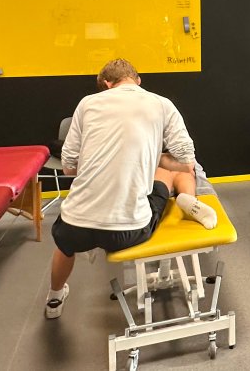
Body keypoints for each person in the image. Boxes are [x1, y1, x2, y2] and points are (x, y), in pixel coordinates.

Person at [44, 58, 217, 319]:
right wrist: (153, 158)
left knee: (65, 244)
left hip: (76, 225)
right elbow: (186, 161)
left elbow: (68, 168)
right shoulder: (161, 103)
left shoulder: (87, 103)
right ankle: (187, 198)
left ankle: (54, 299)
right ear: (138, 80)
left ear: (106, 84)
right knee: (171, 172)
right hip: (128, 230)